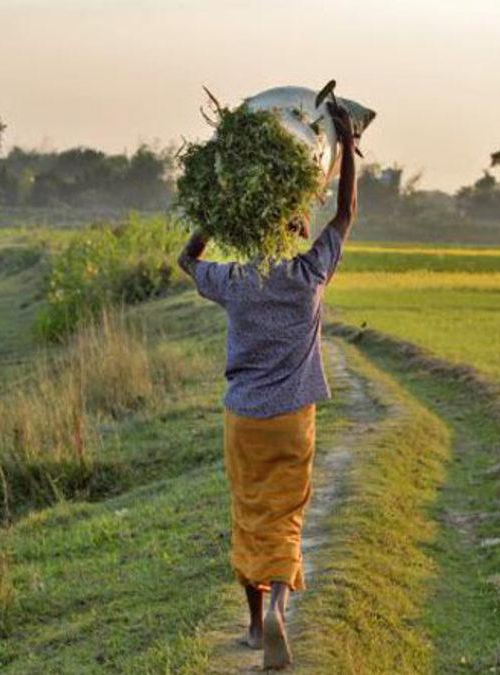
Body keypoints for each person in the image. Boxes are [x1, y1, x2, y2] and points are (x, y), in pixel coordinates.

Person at [176, 101, 358, 671]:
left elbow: (187, 258)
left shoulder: (233, 281)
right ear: (295, 228)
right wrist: (347, 147)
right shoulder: (308, 276)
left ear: (249, 229)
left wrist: (216, 208)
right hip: (292, 419)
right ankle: (280, 603)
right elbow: (346, 214)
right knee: (286, 513)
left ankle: (255, 627)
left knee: (249, 511)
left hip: (243, 417)